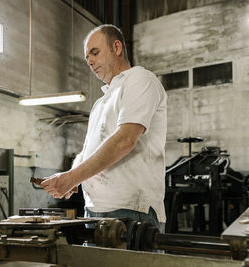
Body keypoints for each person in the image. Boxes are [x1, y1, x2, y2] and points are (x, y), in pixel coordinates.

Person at [41, 24, 167, 230]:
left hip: (131, 209)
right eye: (87, 57)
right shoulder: (101, 102)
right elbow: (87, 151)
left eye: (95, 52)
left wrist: (73, 177)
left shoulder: (140, 80)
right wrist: (71, 179)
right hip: (93, 210)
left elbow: (125, 140)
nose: (89, 61)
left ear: (116, 48)